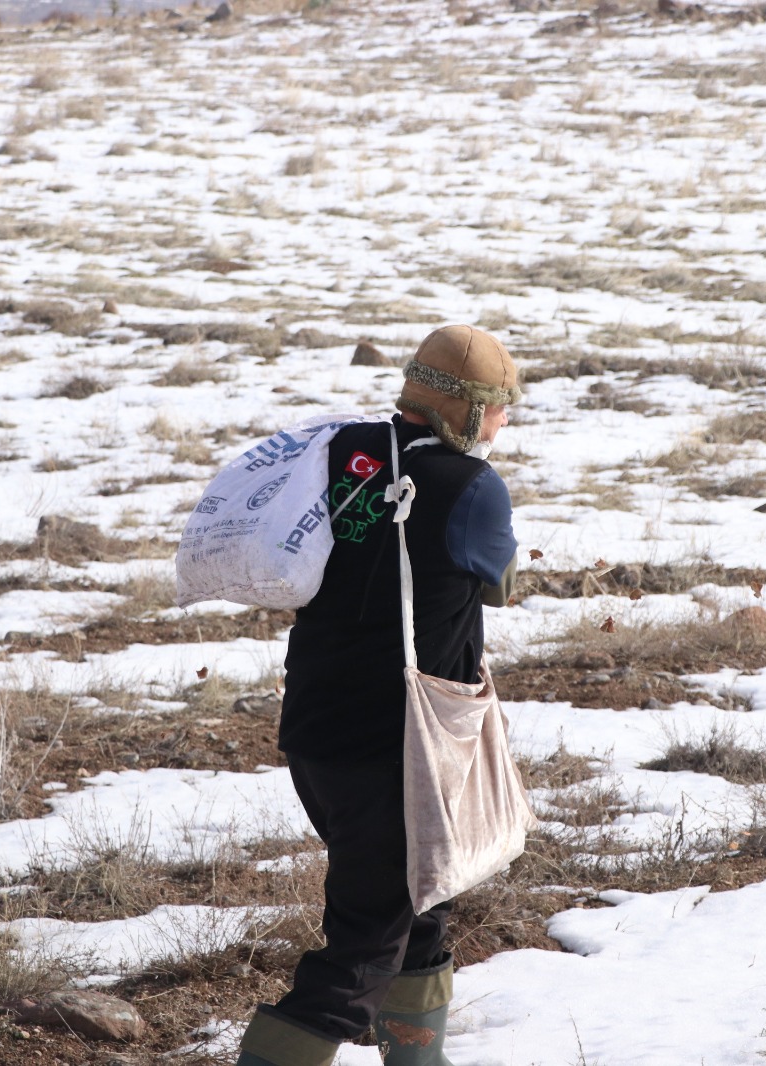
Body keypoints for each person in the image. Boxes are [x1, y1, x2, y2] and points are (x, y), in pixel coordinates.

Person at [236, 325, 521, 1066]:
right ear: (463, 409)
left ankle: (418, 1061)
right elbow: (497, 581)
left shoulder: (346, 455)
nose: (503, 424)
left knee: (414, 900)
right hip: (397, 748)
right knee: (364, 945)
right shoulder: (471, 488)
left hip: (316, 731)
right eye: (497, 408)